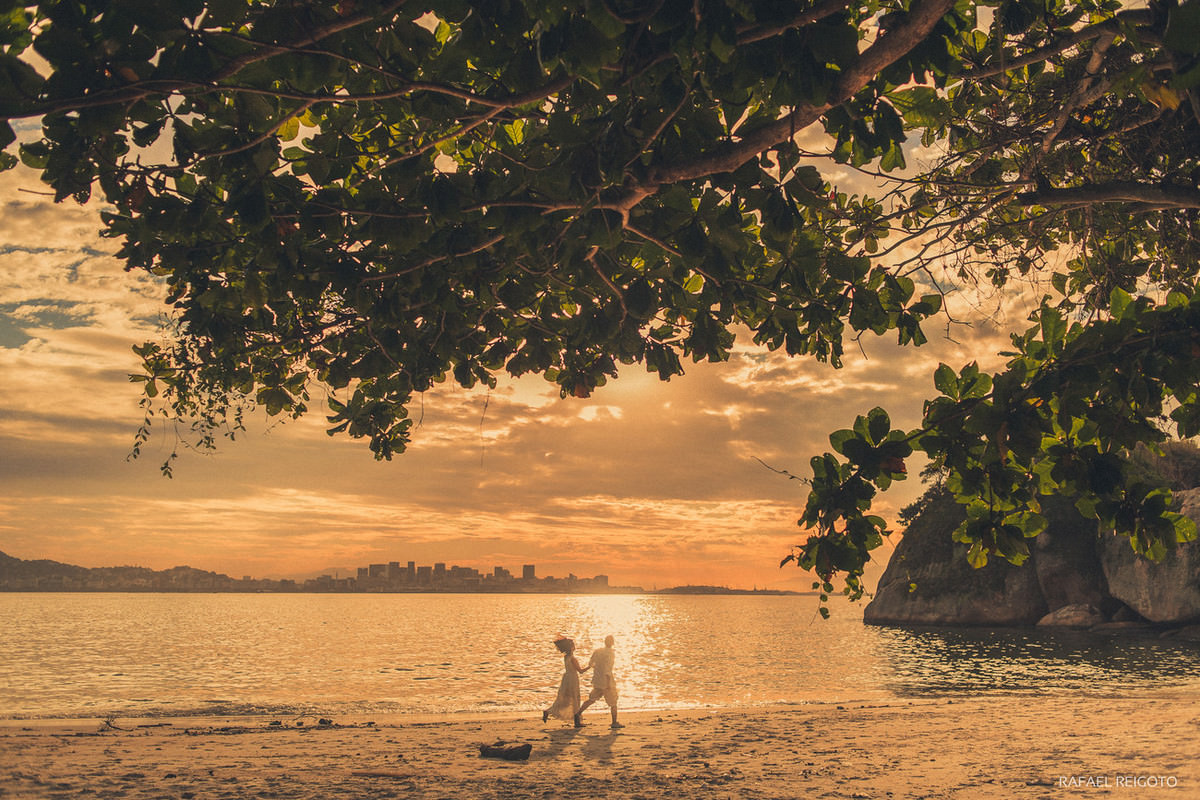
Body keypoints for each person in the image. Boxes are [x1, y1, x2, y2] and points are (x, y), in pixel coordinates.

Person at [575, 635, 623, 728]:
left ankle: (578, 713)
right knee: (613, 702)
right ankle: (614, 722)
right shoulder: (610, 653)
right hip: (606, 681)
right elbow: (608, 670)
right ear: (612, 643)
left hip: (597, 680)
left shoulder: (597, 651)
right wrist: (608, 683)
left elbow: (591, 663)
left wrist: (597, 670)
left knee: (592, 699)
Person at [542, 636, 586, 727]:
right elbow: (580, 671)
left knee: (564, 699)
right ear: (571, 647)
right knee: (574, 698)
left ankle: (549, 711)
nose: (575, 646)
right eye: (573, 645)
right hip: (573, 679)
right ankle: (577, 722)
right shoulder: (573, 658)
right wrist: (591, 666)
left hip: (566, 678)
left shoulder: (566, 657)